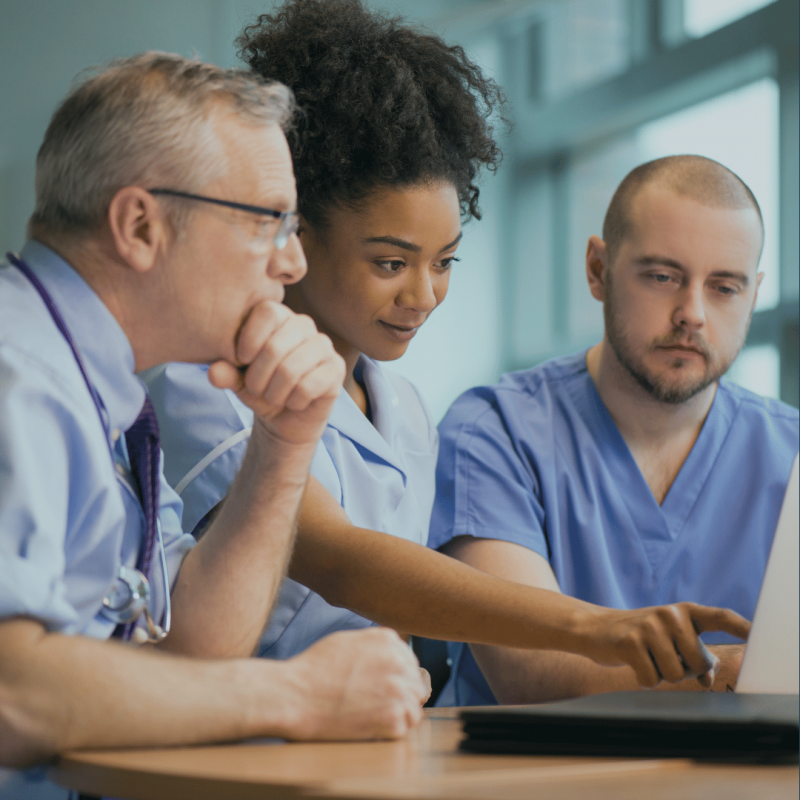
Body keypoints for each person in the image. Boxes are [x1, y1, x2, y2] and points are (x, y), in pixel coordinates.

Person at [146, 1, 750, 701]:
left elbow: (392, 623)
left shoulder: (399, 406)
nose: (425, 294)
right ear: (297, 236)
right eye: (391, 263)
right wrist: (592, 627)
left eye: (445, 262)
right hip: (226, 737)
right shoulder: (206, 382)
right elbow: (345, 562)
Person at [0, 52, 431, 799]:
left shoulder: (102, 395)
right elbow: (13, 694)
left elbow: (193, 652)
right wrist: (301, 696)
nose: (293, 262)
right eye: (272, 222)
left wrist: (288, 440)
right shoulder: (17, 377)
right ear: (141, 226)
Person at [428, 154, 800, 706]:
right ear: (598, 270)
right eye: (662, 276)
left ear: (754, 293)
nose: (692, 313)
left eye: (725, 287)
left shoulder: (789, 451)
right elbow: (530, 673)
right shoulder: (495, 431)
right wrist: (737, 671)